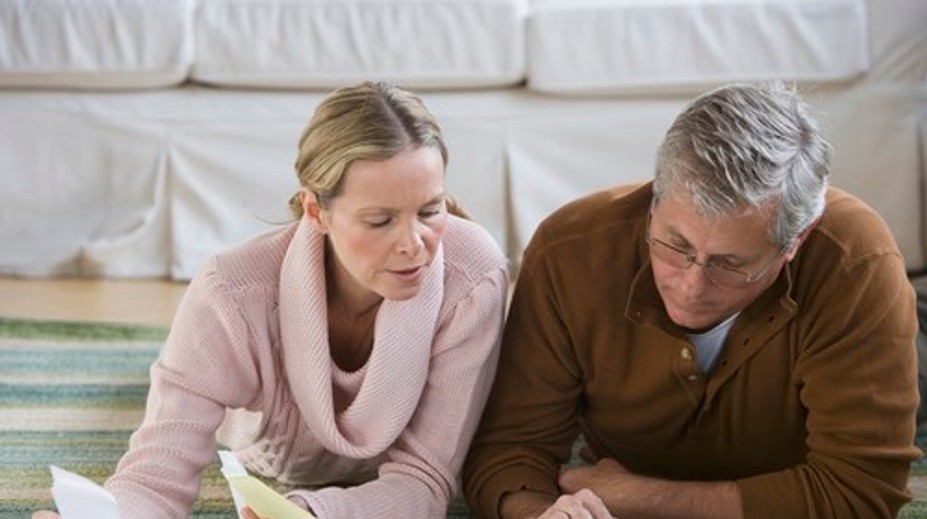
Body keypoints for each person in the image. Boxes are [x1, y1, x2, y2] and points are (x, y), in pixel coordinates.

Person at [33, 81, 509, 518]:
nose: (414, 242)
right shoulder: (231, 292)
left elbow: (423, 482)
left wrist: (313, 513)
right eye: (379, 220)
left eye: (430, 210)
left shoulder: (474, 279)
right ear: (315, 210)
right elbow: (157, 477)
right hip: (259, 445)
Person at [462, 82, 919, 519]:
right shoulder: (568, 252)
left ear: (795, 243)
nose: (692, 287)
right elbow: (509, 450)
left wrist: (636, 497)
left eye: (730, 264)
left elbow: (860, 490)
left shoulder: (857, 262)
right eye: (675, 246)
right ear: (654, 204)